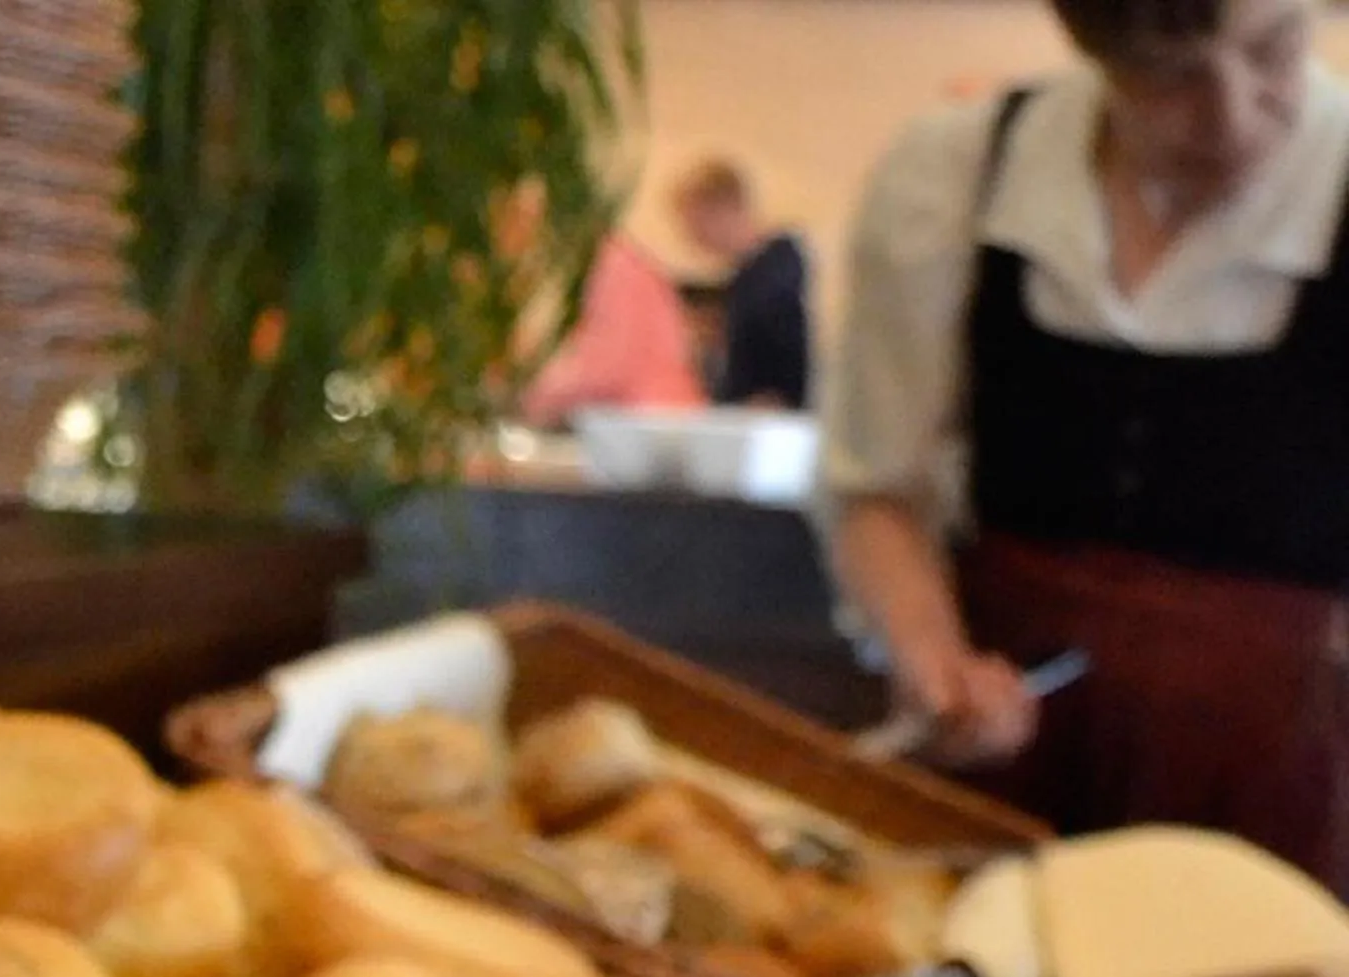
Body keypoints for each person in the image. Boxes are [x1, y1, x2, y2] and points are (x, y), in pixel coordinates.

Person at [822, 0, 1349, 894]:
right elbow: (878, 491)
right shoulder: (958, 176)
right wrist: (933, 660)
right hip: (1011, 754)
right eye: (1169, 75)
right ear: (1087, 45)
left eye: (1274, 49)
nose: (1233, 114)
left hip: (1281, 769)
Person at [518, 181, 708, 429]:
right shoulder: (613, 264)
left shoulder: (613, 268)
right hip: (650, 420)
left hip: (649, 424)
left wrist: (532, 394)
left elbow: (608, 364)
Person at [674, 159, 815, 409]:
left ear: (722, 210)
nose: (693, 237)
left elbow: (792, 368)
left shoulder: (777, 278)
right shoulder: (752, 277)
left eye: (695, 223)